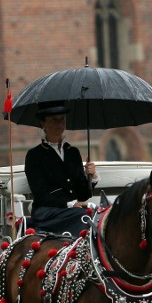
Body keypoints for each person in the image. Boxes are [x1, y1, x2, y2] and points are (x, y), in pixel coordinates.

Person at [24, 100, 98, 235]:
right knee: (83, 217)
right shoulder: (34, 155)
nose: (59, 123)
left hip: (73, 211)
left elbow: (83, 194)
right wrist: (70, 204)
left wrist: (91, 177)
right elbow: (41, 194)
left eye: (62, 119)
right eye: (54, 119)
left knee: (98, 215)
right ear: (43, 123)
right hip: (47, 212)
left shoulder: (73, 152)